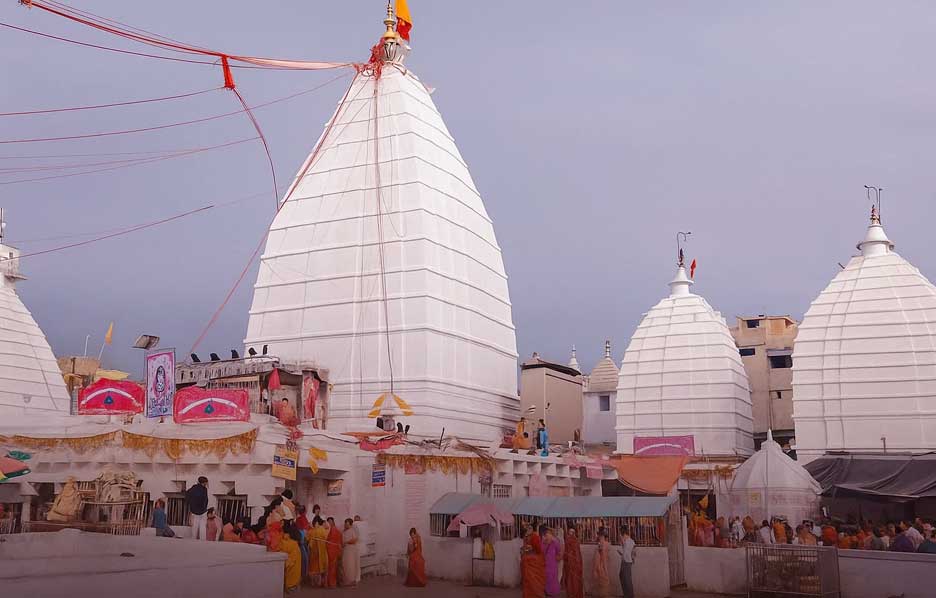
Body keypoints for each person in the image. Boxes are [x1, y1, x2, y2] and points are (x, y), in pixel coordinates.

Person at [521, 523, 546, 598]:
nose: (528, 529)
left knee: (534, 580)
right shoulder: (526, 536)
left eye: (530, 528)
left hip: (533, 561)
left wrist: (530, 548)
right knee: (527, 580)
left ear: (532, 529)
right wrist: (524, 549)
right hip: (527, 560)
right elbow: (524, 547)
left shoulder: (535, 536)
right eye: (527, 528)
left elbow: (538, 549)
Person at [279, 522, 303, 593]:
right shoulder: (295, 543)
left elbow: (280, 547)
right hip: (296, 575)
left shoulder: (288, 543)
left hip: (290, 578)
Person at [561, 526, 583, 598]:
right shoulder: (570, 541)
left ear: (574, 533)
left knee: (574, 582)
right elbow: (566, 554)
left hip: (574, 565)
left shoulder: (573, 541)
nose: (570, 534)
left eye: (571, 532)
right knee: (571, 582)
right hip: (570, 565)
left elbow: (577, 554)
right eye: (569, 532)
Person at [185, 476, 209, 540]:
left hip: (194, 511)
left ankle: (193, 541)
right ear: (204, 483)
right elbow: (206, 500)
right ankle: (202, 541)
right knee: (202, 528)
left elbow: (187, 496)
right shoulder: (204, 489)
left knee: (194, 528)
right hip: (203, 511)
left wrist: (191, 506)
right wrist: (204, 507)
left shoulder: (193, 488)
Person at [308, 516, 328, 586]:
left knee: (315, 568)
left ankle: (315, 583)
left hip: (315, 552)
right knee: (321, 567)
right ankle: (321, 582)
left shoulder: (315, 531)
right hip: (322, 552)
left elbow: (310, 542)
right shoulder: (323, 530)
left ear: (316, 522)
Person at [591, 529, 611, 598]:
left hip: (601, 566)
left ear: (601, 536)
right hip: (603, 566)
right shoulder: (607, 544)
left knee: (602, 586)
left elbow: (600, 557)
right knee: (604, 585)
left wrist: (596, 569)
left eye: (599, 535)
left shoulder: (601, 545)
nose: (598, 536)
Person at [341, 517, 360, 586]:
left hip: (352, 551)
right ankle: (346, 581)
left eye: (347, 524)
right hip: (345, 550)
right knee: (345, 564)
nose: (346, 525)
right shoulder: (343, 531)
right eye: (345, 524)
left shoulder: (353, 530)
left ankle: (352, 581)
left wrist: (347, 542)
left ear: (350, 524)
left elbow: (355, 540)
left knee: (351, 565)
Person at [542, 527, 561, 597]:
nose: (548, 536)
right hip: (547, 564)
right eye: (547, 534)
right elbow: (542, 552)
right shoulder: (544, 543)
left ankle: (553, 592)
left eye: (549, 534)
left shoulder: (555, 542)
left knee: (553, 578)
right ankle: (548, 592)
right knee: (547, 578)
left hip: (552, 564)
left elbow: (559, 550)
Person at [617, 526, 636, 598]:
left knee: (627, 580)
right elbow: (630, 552)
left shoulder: (628, 542)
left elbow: (627, 554)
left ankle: (629, 595)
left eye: (621, 535)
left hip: (626, 562)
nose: (620, 536)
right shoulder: (629, 541)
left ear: (623, 534)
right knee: (623, 577)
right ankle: (626, 594)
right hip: (625, 561)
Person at [325, 517, 343, 588]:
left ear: (332, 522)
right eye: (328, 521)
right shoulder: (335, 530)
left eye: (329, 521)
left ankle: (332, 583)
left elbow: (331, 542)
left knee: (332, 568)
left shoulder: (333, 530)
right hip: (336, 550)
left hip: (332, 551)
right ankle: (335, 582)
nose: (329, 523)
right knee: (335, 567)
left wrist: (326, 545)